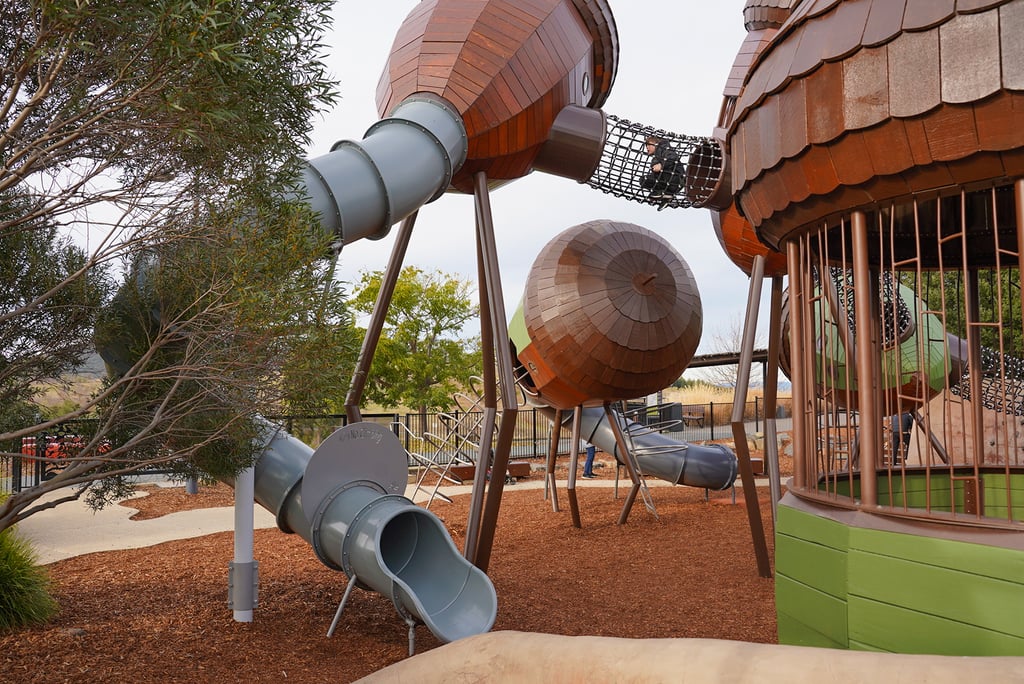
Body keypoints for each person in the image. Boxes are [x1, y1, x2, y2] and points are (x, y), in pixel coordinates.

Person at [641, 135, 682, 209]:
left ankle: (666, 193)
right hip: (666, 182)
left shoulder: (664, 149)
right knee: (644, 180)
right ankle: (664, 195)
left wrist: (661, 165)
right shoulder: (656, 157)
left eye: (648, 145)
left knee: (664, 171)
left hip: (676, 180)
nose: (646, 147)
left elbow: (673, 157)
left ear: (655, 143)